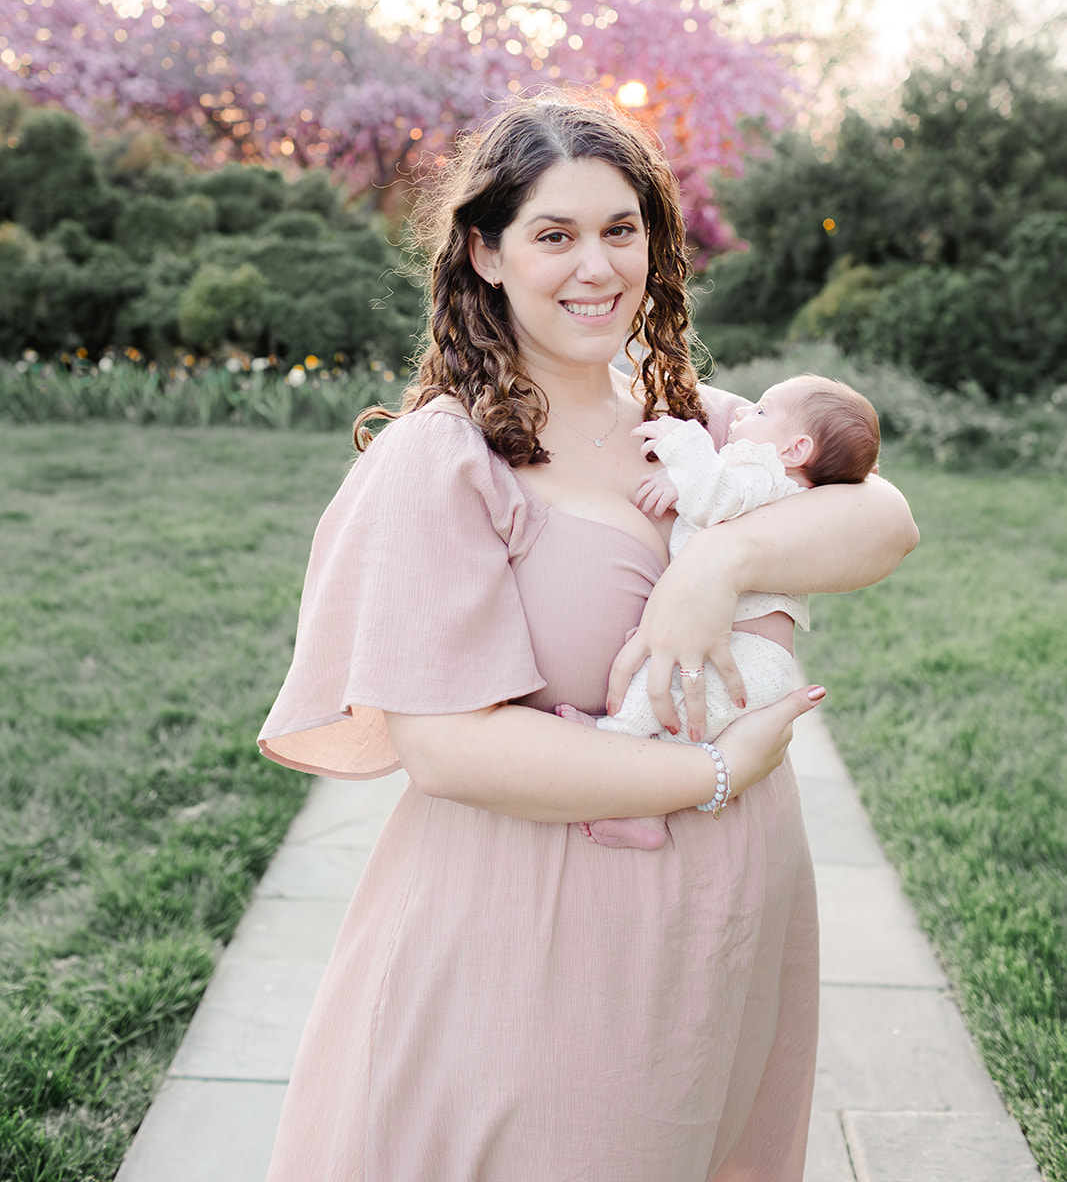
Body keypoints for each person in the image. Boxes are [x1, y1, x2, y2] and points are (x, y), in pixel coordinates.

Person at [257, 89, 917, 1182]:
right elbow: (446, 745)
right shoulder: (444, 459)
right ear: (483, 253)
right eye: (553, 235)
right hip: (533, 932)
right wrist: (710, 768)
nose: (595, 267)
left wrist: (718, 564)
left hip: (724, 927)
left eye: (620, 230)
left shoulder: (701, 423)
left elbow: (883, 521)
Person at [559, 375, 881, 850]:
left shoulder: (767, 474)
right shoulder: (770, 486)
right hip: (753, 656)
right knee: (676, 707)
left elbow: (718, 496)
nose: (739, 414)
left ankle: (616, 741)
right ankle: (644, 797)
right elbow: (716, 493)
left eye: (761, 412)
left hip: (750, 658)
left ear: (795, 450)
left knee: (670, 692)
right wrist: (681, 480)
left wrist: (682, 441)